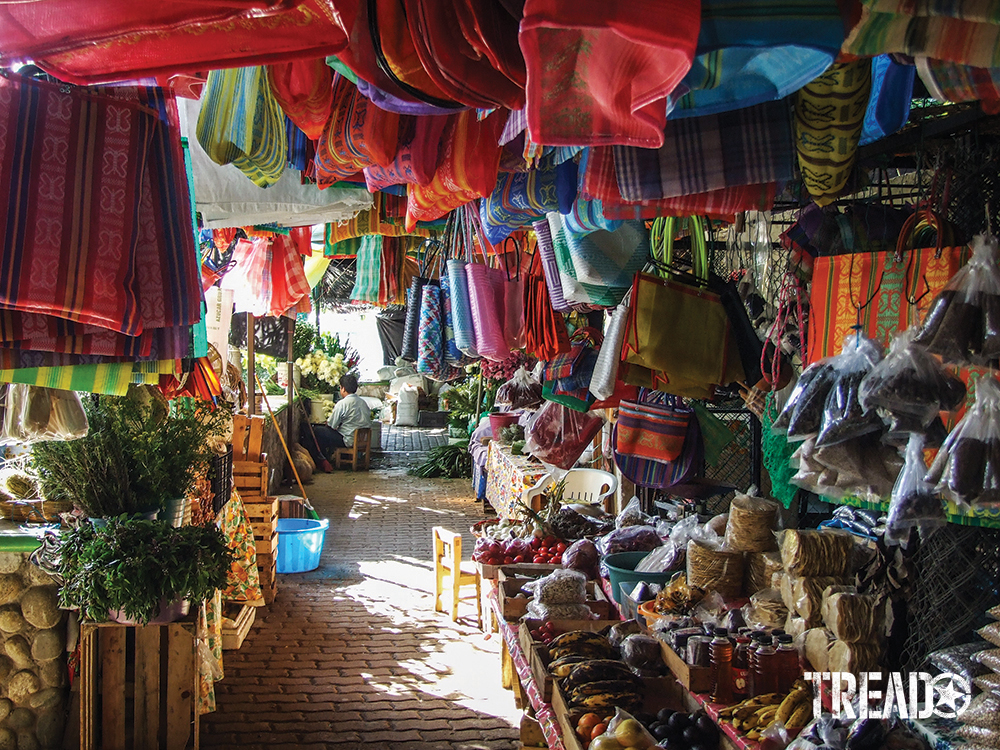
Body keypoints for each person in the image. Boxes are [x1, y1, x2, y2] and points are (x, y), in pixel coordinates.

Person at [326, 373, 372, 450]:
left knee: (317, 432)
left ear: (343, 389)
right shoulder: (363, 403)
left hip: (347, 440)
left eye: (340, 388)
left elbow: (331, 424)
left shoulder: (343, 403)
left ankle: (322, 459)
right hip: (362, 439)